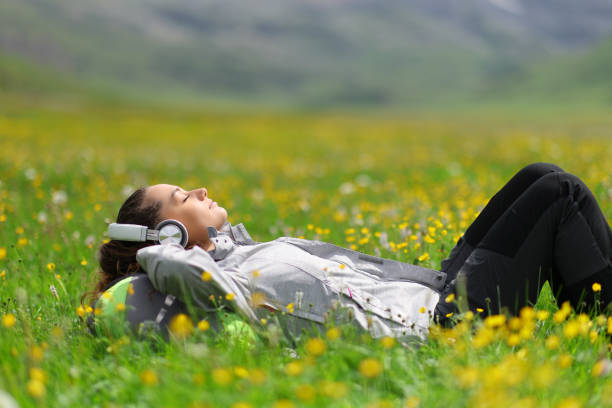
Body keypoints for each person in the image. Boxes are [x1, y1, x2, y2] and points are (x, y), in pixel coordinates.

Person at [83, 163, 612, 341]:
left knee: (539, 177)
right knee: (560, 194)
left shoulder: (235, 256)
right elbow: (180, 273)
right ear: (170, 234)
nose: (198, 191)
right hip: (446, 326)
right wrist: (160, 250)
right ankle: (602, 329)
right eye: (181, 199)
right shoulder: (220, 284)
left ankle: (592, 321)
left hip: (432, 292)